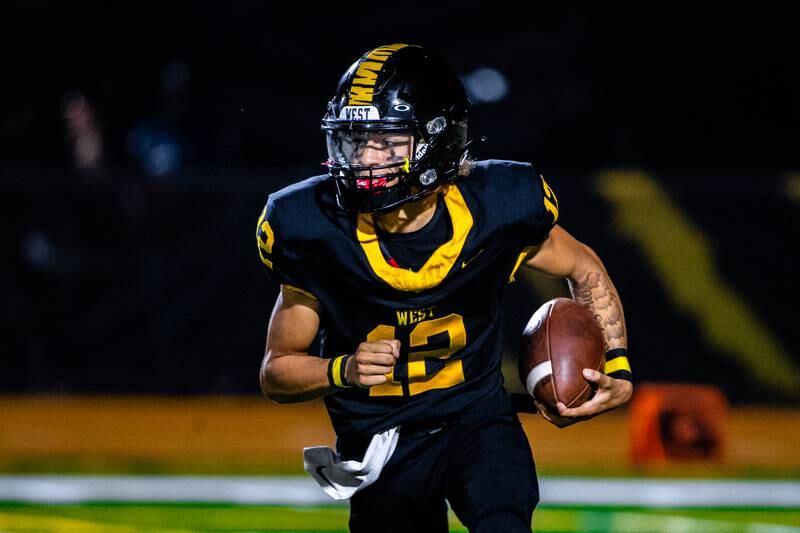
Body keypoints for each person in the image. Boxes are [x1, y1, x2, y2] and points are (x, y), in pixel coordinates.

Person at [256, 43, 633, 533]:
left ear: (436, 141)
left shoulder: (496, 206)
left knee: (504, 519)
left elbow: (583, 267)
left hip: (476, 423)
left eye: (386, 141)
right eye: (353, 140)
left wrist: (618, 365)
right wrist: (342, 369)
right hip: (379, 442)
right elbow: (276, 371)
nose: (364, 157)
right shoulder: (312, 228)